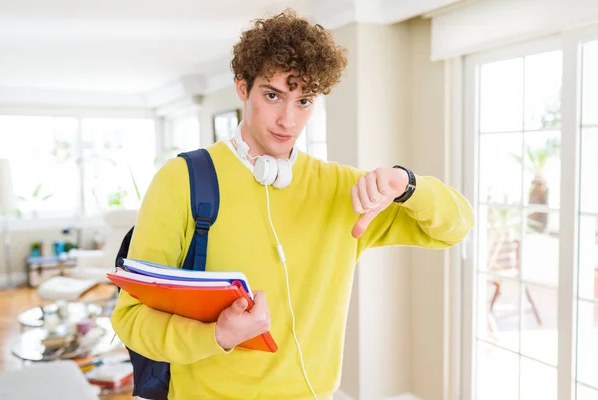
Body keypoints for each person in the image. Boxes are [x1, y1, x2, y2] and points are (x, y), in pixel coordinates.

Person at [110, 8, 474, 400]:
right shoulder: (183, 180)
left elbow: (456, 228)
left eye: (304, 101)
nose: (288, 120)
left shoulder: (341, 189)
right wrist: (216, 335)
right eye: (273, 96)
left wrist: (407, 184)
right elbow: (131, 320)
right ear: (241, 88)